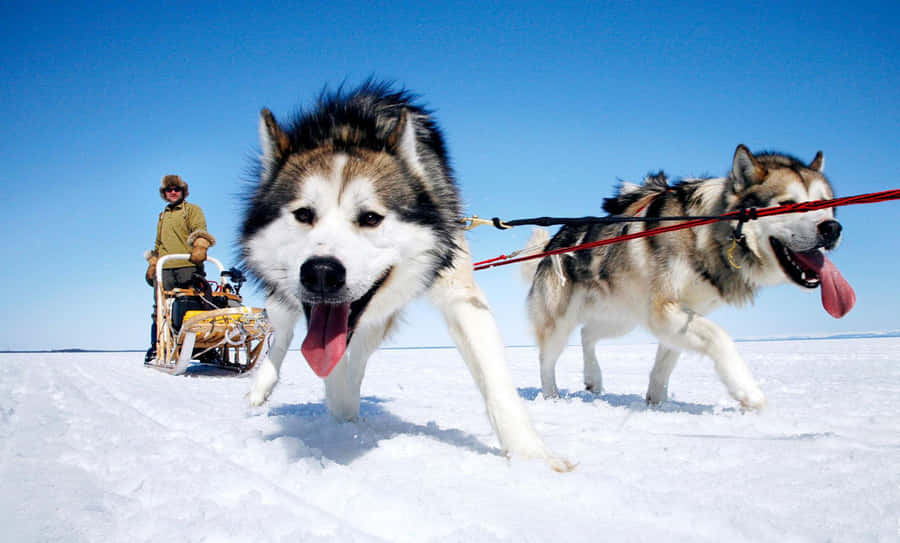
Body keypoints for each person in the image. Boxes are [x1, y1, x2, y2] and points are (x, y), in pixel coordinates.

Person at [144, 174, 216, 363]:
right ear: (164, 194)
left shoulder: (191, 210)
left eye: (177, 189)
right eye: (169, 190)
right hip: (166, 268)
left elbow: (200, 230)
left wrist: (200, 246)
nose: (173, 192)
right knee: (160, 309)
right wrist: (153, 263)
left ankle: (204, 349)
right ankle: (156, 348)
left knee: (196, 306)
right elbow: (158, 243)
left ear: (183, 191)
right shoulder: (163, 216)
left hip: (188, 266)